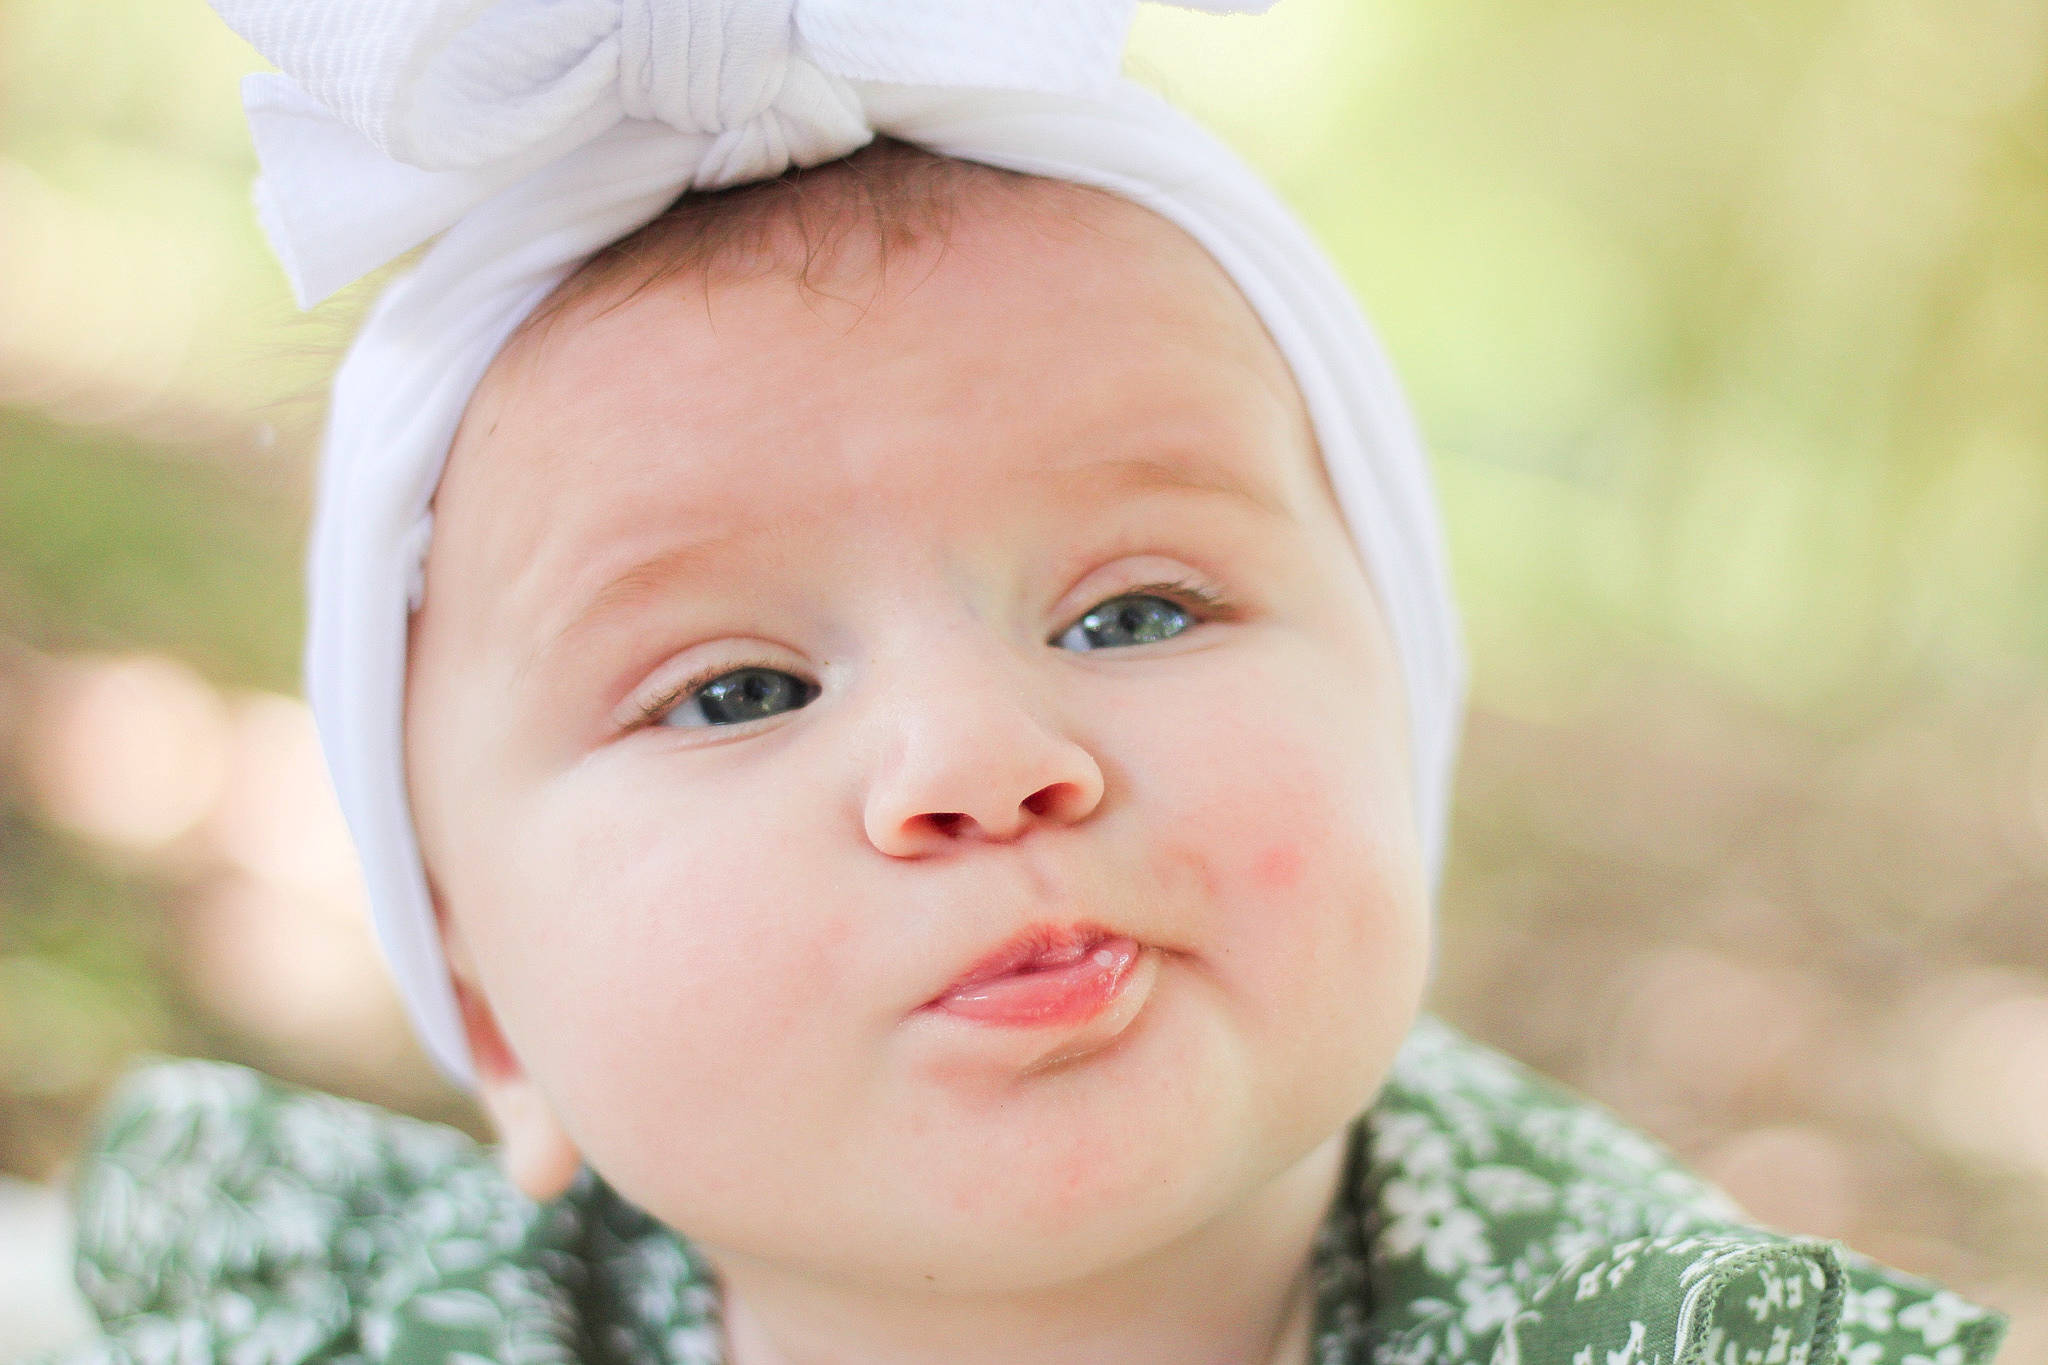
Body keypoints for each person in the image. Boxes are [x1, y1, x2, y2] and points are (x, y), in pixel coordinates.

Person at [40, 4, 2008, 1364]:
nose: (981, 761)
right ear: (480, 992)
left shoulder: (1644, 1321)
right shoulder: (354, 1305)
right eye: (733, 693)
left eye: (1135, 613)